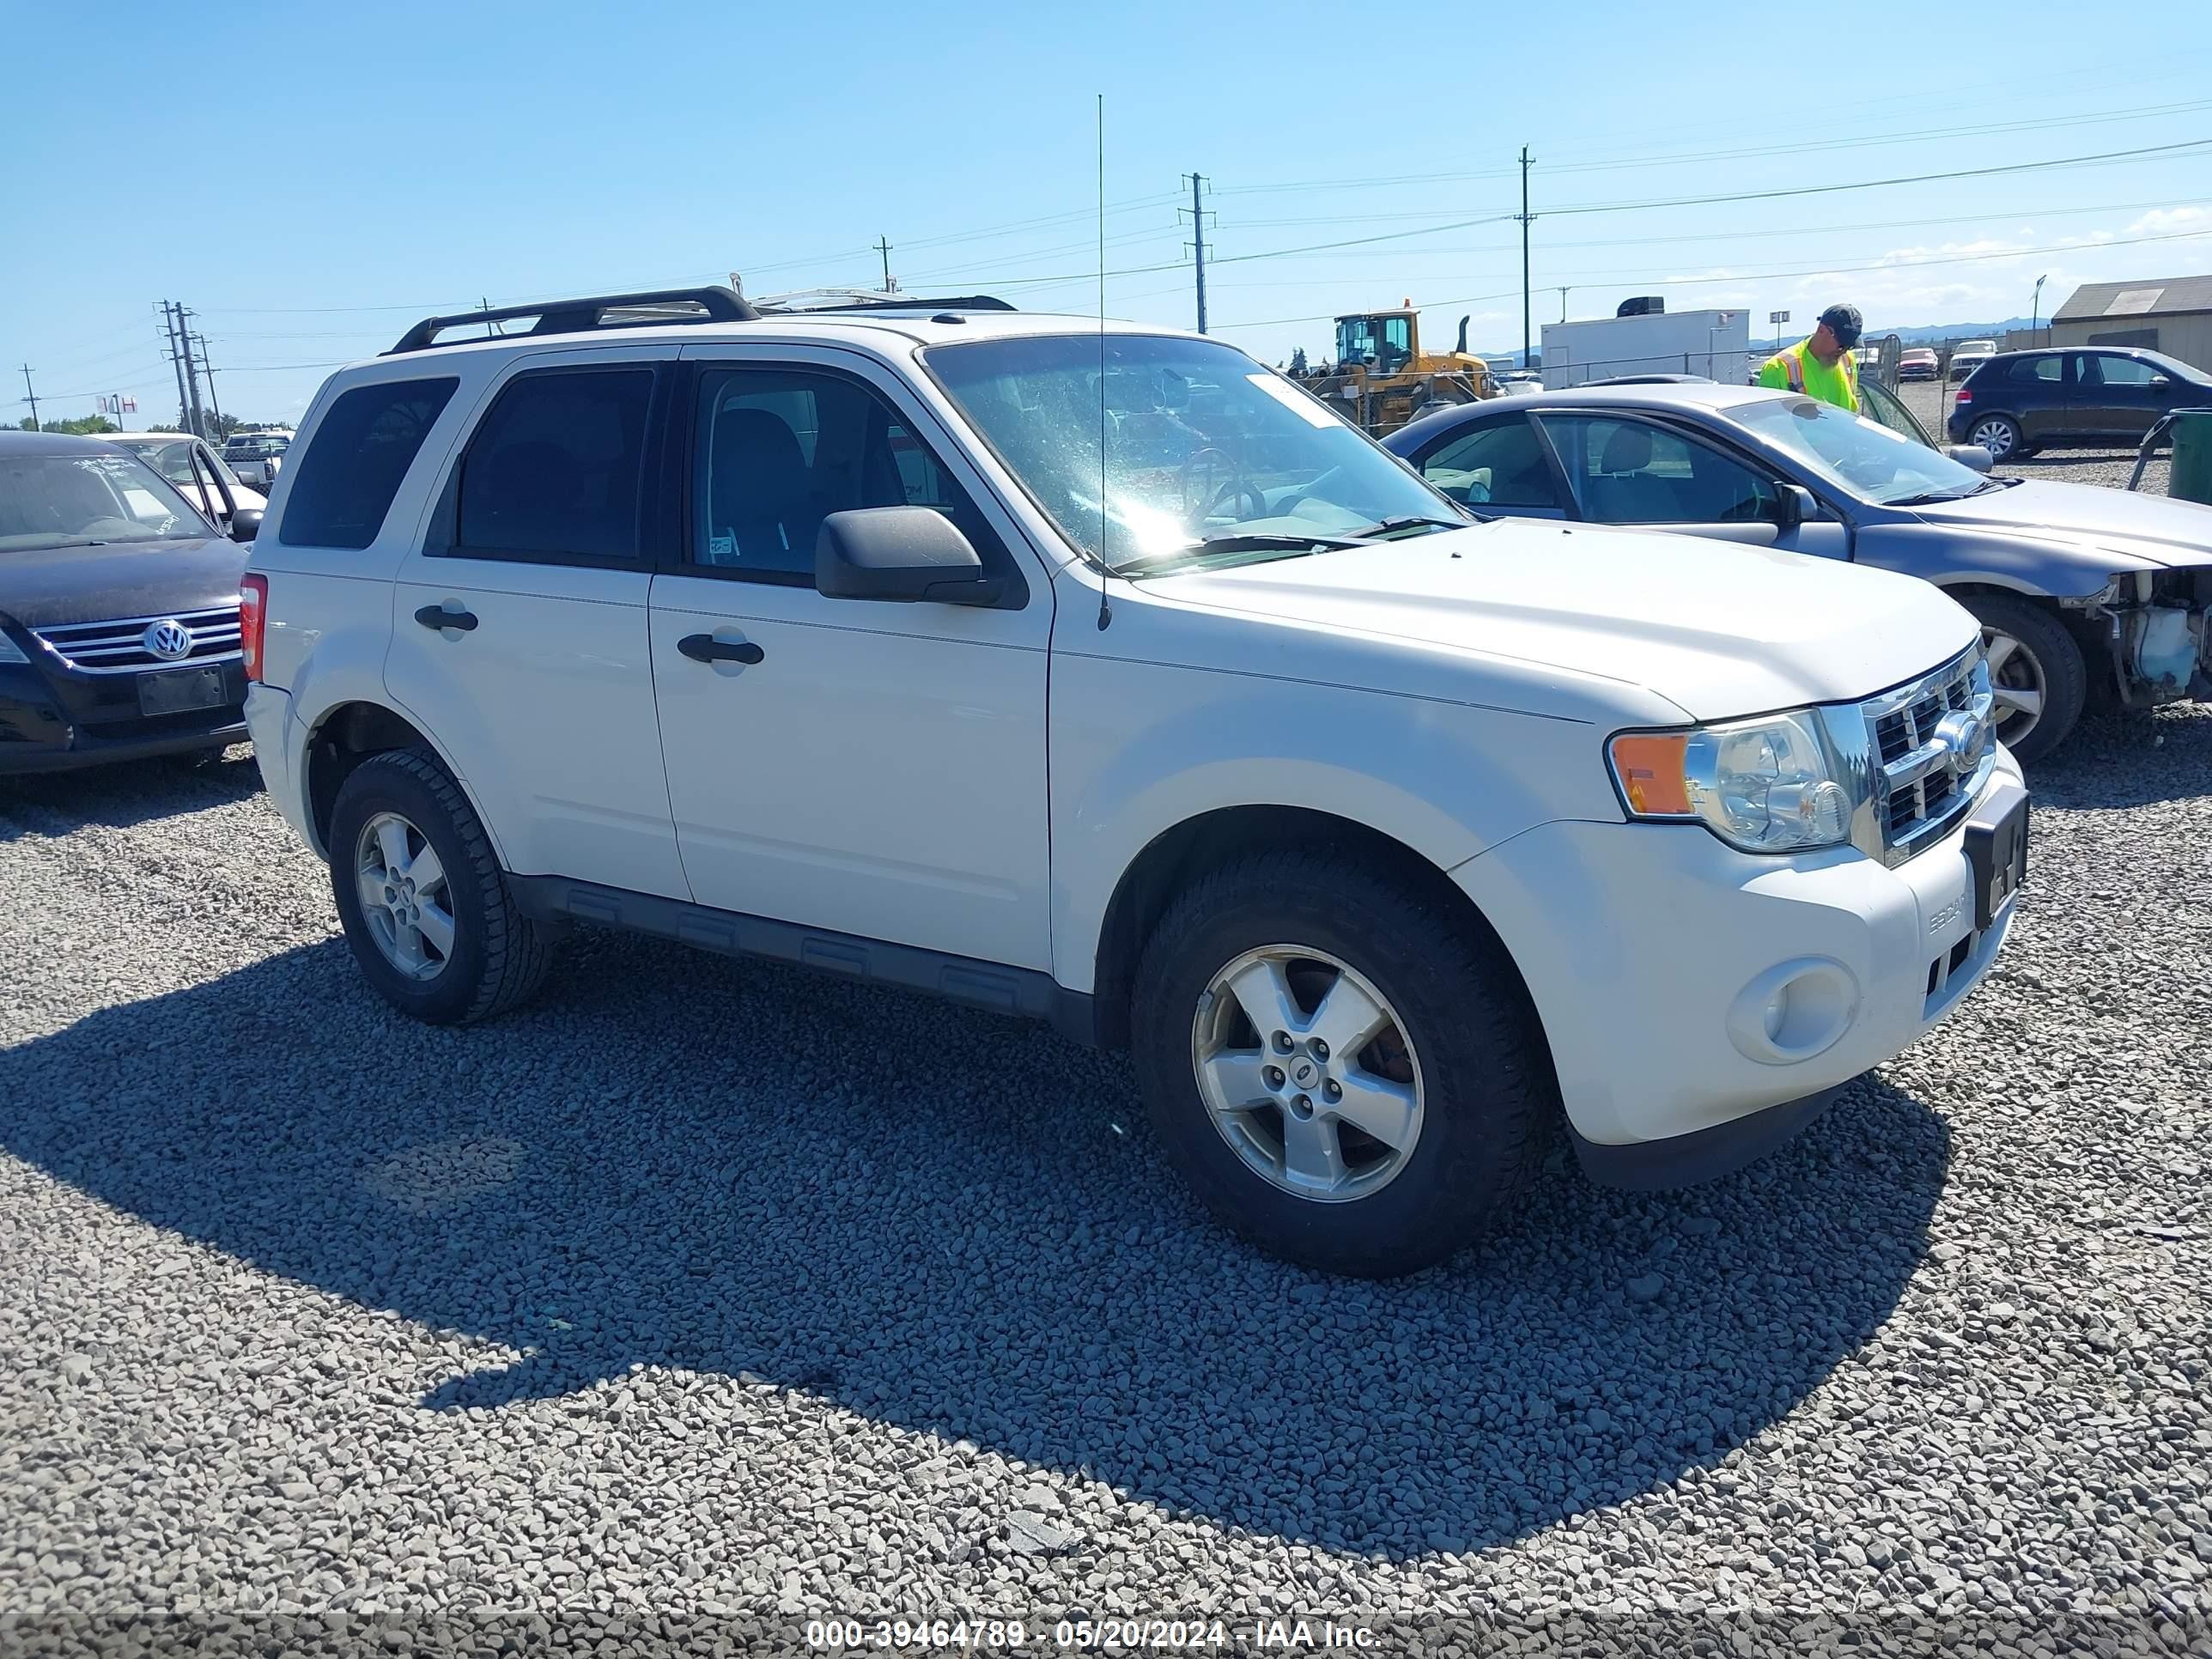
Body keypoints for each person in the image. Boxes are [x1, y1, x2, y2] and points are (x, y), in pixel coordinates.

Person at [1759, 303, 1863, 413]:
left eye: (1850, 346)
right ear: (1821, 330)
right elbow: (1768, 420)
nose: (1844, 351)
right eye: (1841, 345)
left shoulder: (1848, 360)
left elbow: (1851, 409)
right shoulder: (1779, 367)